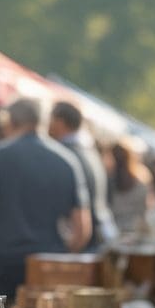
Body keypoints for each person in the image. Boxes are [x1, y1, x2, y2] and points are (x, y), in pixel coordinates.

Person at [0, 98, 91, 300]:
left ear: (10, 122)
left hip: (9, 261)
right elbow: (82, 228)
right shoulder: (67, 161)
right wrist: (61, 255)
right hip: (50, 263)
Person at [48, 100, 116, 249]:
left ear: (59, 122)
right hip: (96, 236)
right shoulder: (89, 151)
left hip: (81, 241)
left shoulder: (66, 154)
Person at [107, 138, 155, 238]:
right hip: (134, 235)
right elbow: (147, 209)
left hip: (113, 234)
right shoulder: (142, 180)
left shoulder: (107, 183)